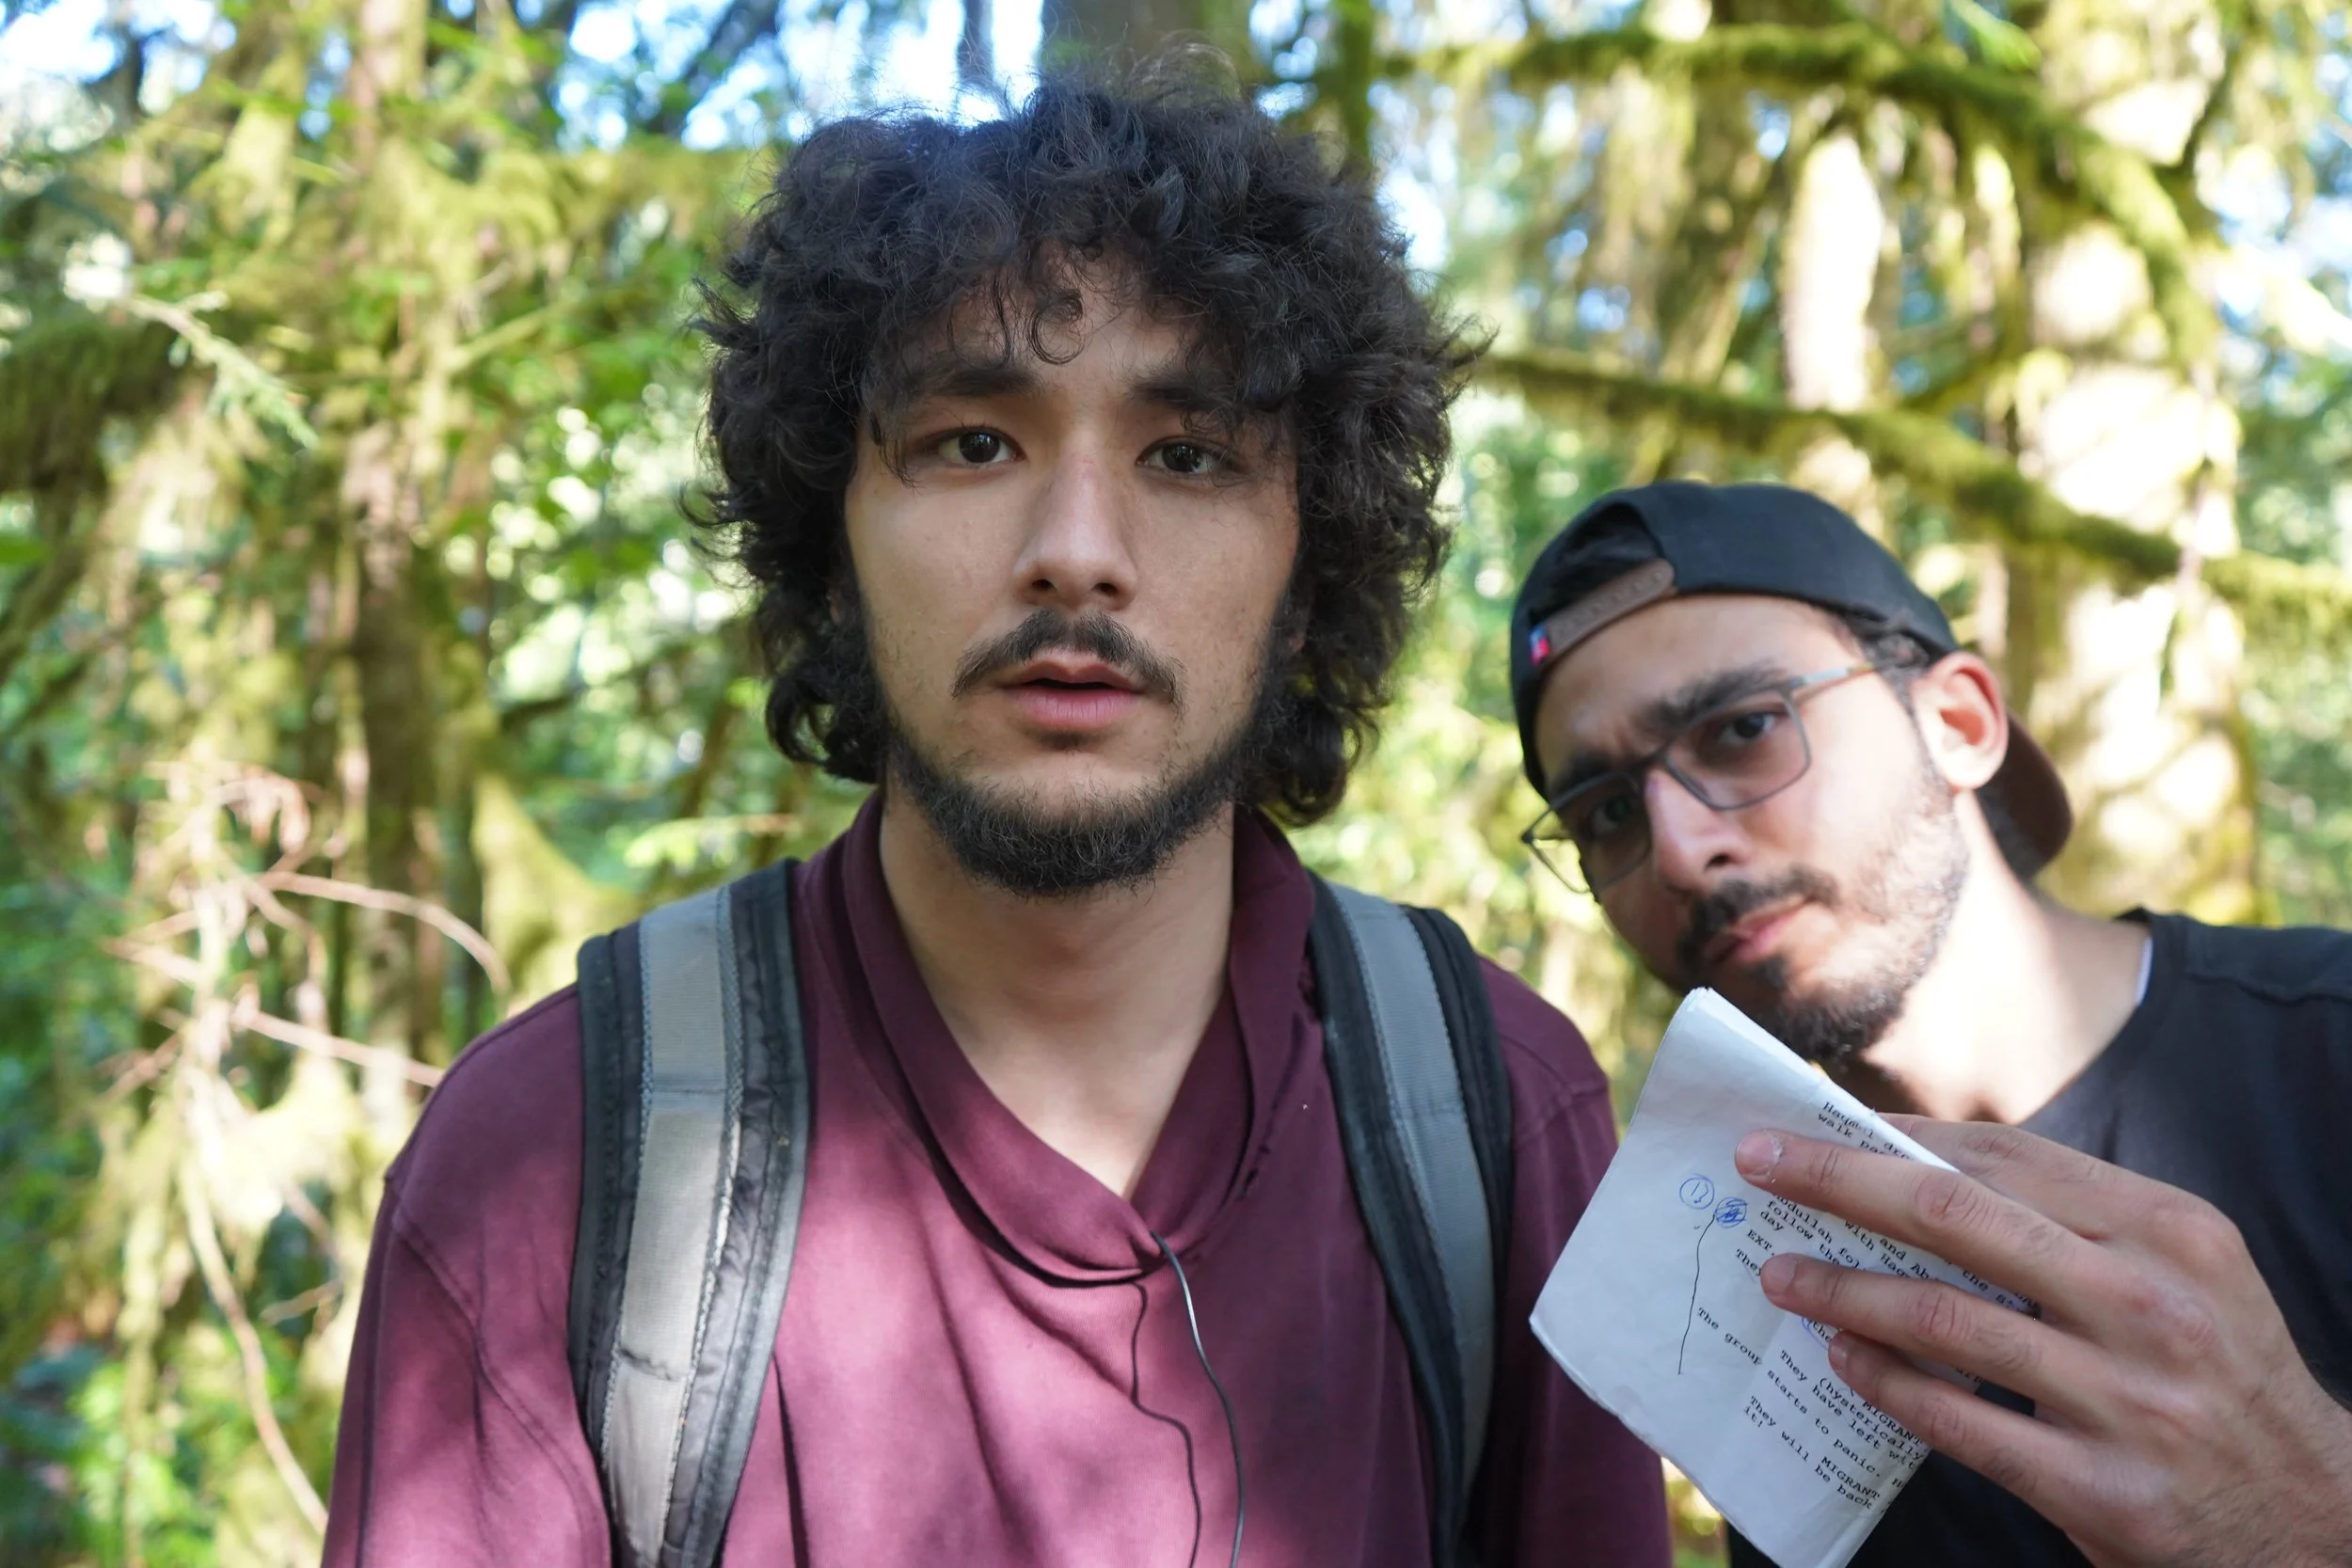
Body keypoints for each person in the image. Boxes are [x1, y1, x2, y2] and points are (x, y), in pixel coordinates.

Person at [320, 69, 1672, 1568]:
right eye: (972, 441)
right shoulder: (553, 1154)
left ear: (1307, 584)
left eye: (1189, 454)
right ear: (830, 557)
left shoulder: (1495, 1123)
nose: (1076, 554)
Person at [1505, 478, 2352, 1567]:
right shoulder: (1757, 1271)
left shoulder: (2326, 1049)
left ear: (1956, 723)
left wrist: (2304, 1515)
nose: (1677, 848)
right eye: (1606, 811)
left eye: (1743, 729)